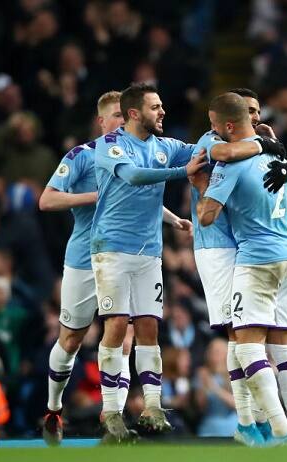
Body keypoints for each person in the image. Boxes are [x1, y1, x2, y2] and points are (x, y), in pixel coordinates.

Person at [38, 91, 193, 445]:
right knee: (72, 338)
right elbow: (46, 200)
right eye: (116, 118)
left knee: (124, 333)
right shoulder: (82, 156)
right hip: (84, 257)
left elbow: (142, 197)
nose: (121, 124)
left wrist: (172, 219)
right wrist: (96, 195)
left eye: (125, 119)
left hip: (130, 252)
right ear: (102, 121)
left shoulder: (142, 147)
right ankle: (53, 408)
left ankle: (115, 421)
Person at [90, 83, 207, 443]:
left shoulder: (164, 146)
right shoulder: (110, 146)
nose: (163, 112)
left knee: (149, 327)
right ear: (134, 114)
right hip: (112, 249)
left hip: (149, 253)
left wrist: (245, 138)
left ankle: (153, 406)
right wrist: (181, 172)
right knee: (116, 326)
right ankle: (111, 410)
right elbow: (133, 176)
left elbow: (203, 150)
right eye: (156, 107)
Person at [190, 87, 287, 446]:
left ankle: (282, 431)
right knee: (280, 346)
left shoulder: (232, 163)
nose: (256, 117)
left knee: (246, 343)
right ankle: (283, 431)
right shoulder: (272, 156)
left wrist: (200, 185)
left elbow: (207, 217)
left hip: (253, 256)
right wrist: (279, 156)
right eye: (250, 112)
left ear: (226, 123)